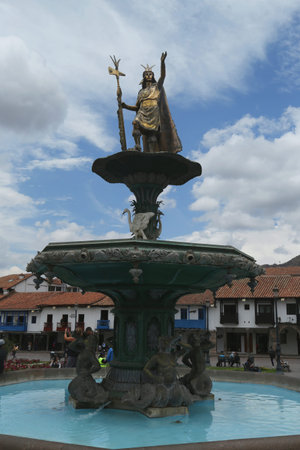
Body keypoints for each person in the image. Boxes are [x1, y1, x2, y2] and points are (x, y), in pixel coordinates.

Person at [122, 52, 182, 154]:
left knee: (152, 134)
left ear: (152, 76)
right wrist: (125, 106)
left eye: (150, 74)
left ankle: (151, 152)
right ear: (144, 77)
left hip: (153, 111)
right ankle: (137, 146)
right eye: (146, 74)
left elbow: (163, 76)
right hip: (142, 111)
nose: (148, 75)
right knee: (135, 123)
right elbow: (137, 107)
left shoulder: (156, 88)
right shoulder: (141, 92)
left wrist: (162, 63)